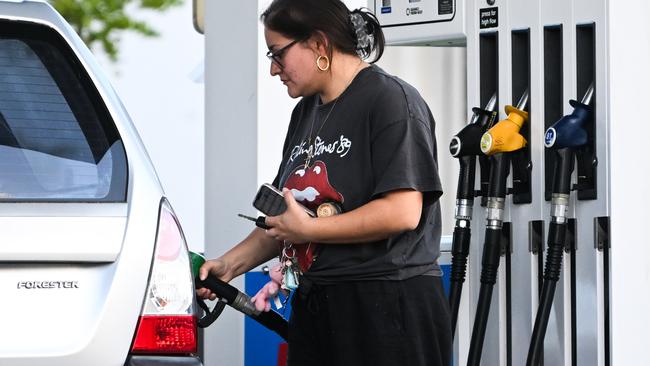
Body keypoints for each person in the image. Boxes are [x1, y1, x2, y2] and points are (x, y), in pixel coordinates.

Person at [197, 0, 451, 364]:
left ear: (318, 44)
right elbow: (287, 221)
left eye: (277, 54)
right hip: (320, 307)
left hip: (387, 310)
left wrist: (312, 228)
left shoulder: (390, 101)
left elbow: (402, 211)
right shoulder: (306, 112)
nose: (272, 69)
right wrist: (229, 265)